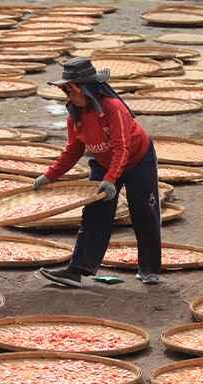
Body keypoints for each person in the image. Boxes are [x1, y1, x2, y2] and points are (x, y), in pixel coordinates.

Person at [34, 57, 161, 287]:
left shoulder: (114, 108)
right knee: (94, 214)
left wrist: (111, 180)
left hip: (138, 159)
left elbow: (122, 147)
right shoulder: (75, 115)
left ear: (83, 89)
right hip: (103, 163)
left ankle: (149, 269)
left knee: (144, 210)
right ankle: (77, 270)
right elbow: (73, 151)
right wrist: (49, 175)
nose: (68, 96)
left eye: (70, 91)